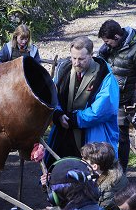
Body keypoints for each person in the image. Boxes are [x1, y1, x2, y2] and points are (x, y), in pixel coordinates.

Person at [46, 36, 119, 164]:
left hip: (91, 135)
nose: (76, 63)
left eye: (81, 59)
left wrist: (74, 119)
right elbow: (53, 95)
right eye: (73, 58)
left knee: (91, 174)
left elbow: (102, 111)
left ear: (91, 55)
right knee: (60, 170)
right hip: (63, 133)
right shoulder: (64, 70)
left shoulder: (105, 77)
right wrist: (58, 114)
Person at [97, 19, 136, 172]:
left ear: (117, 37)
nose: (106, 45)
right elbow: (99, 69)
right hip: (105, 99)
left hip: (124, 101)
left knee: (122, 137)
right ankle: (104, 169)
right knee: (102, 134)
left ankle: (122, 172)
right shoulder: (110, 47)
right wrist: (100, 57)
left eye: (108, 42)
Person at [80, 141, 127, 210]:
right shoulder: (111, 167)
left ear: (95, 166)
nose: (81, 162)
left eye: (84, 160)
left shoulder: (108, 190)